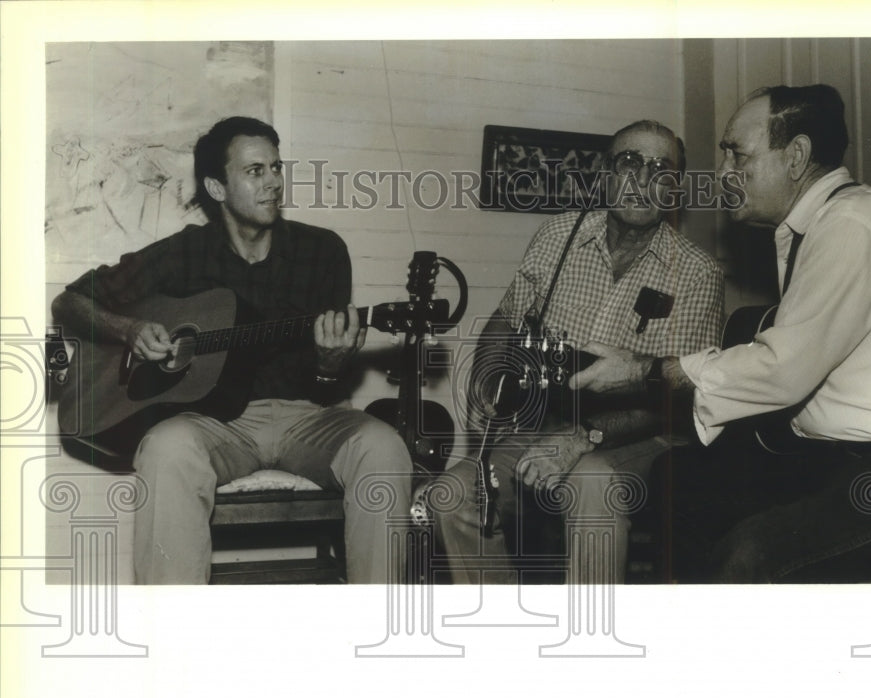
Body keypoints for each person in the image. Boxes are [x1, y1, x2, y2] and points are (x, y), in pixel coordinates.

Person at [569, 85, 871, 583]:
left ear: (796, 157)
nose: (724, 172)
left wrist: (644, 370)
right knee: (676, 483)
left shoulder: (856, 220)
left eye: (737, 154)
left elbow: (782, 368)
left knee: (749, 557)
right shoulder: (819, 226)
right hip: (832, 459)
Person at [51, 116, 413, 584]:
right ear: (217, 188)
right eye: (255, 171)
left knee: (383, 447)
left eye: (277, 168)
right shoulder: (183, 253)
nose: (274, 183)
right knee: (165, 448)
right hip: (215, 424)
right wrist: (129, 329)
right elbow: (72, 300)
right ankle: (170, 636)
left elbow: (328, 388)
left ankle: (379, 630)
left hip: (308, 415)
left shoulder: (322, 251)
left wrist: (330, 365)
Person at [436, 120, 724, 585]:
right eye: (629, 163)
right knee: (450, 498)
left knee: (591, 483)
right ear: (605, 173)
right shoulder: (556, 238)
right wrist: (488, 382)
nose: (642, 181)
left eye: (660, 170)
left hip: (643, 439)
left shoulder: (696, 273)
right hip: (543, 425)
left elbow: (680, 394)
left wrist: (582, 438)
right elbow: (504, 321)